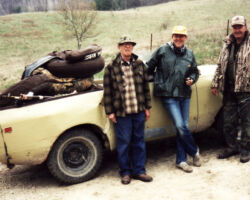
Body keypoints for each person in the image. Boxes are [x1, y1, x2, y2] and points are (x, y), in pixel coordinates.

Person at [147, 26, 201, 173]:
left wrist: (192, 79)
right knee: (180, 125)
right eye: (176, 36)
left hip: (184, 94)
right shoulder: (162, 50)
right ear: (172, 36)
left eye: (181, 36)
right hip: (168, 95)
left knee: (182, 127)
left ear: (186, 38)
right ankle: (195, 151)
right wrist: (159, 82)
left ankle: (181, 160)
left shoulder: (189, 53)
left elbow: (195, 71)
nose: (178, 38)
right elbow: (148, 67)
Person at [103, 35, 153, 184]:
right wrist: (110, 111)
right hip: (121, 113)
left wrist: (147, 108)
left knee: (139, 141)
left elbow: (145, 88)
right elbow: (108, 92)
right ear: (119, 47)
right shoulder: (111, 67)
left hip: (138, 110)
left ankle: (139, 171)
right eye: (124, 45)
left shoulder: (139, 64)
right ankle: (125, 172)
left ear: (132, 47)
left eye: (130, 45)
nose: (127, 47)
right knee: (124, 143)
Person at [211, 16, 250, 163]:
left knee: (247, 121)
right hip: (229, 89)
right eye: (235, 27)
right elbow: (220, 64)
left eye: (240, 26)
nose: (237, 30)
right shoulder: (227, 44)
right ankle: (232, 147)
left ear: (245, 27)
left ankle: (246, 150)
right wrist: (215, 83)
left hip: (246, 89)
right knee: (228, 121)